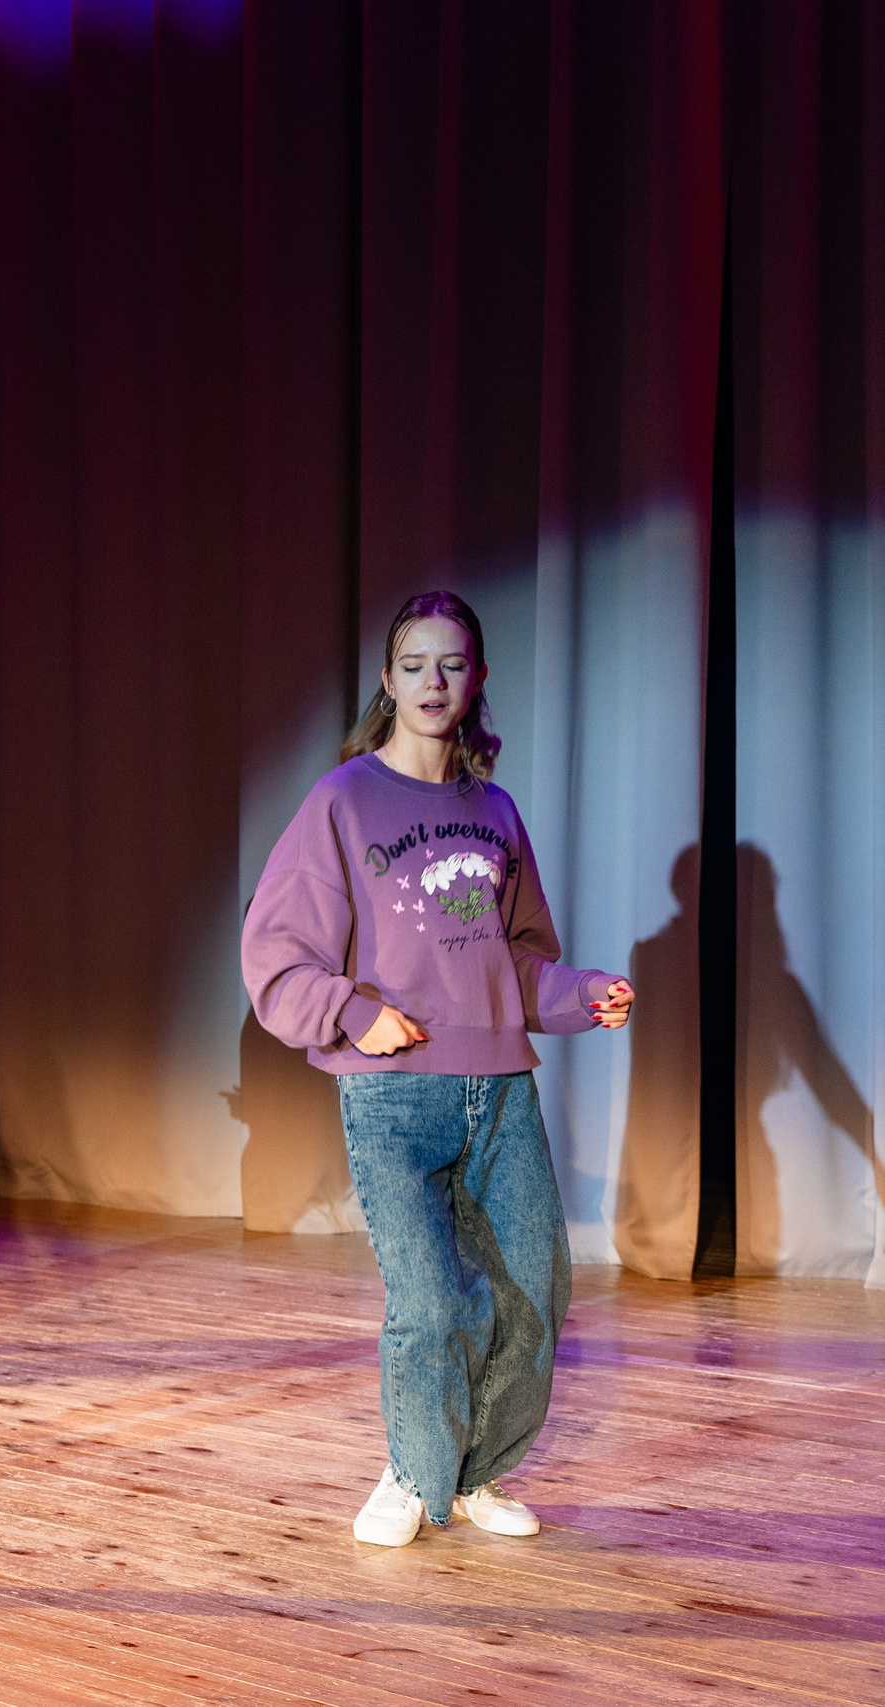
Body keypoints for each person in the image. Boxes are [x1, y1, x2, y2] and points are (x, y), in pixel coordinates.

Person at [241, 590, 632, 1549]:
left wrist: (584, 992)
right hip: (392, 1094)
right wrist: (352, 1013)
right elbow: (275, 951)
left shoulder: (494, 810)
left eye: (452, 664)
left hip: (499, 1087)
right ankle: (414, 1471)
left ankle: (473, 1471)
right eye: (414, 664)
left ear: (478, 680)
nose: (433, 682)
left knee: (532, 1290)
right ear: (387, 681)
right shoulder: (343, 800)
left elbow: (520, 960)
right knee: (429, 1301)